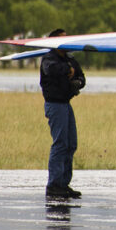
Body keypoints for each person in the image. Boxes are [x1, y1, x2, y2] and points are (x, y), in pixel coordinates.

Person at [40, 29, 85, 199]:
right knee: (60, 144)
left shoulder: (69, 58)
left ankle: (64, 184)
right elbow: (53, 70)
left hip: (66, 104)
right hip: (55, 105)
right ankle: (54, 185)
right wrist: (68, 70)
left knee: (71, 144)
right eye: (63, 38)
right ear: (53, 42)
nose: (68, 41)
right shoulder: (48, 59)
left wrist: (77, 81)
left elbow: (81, 76)